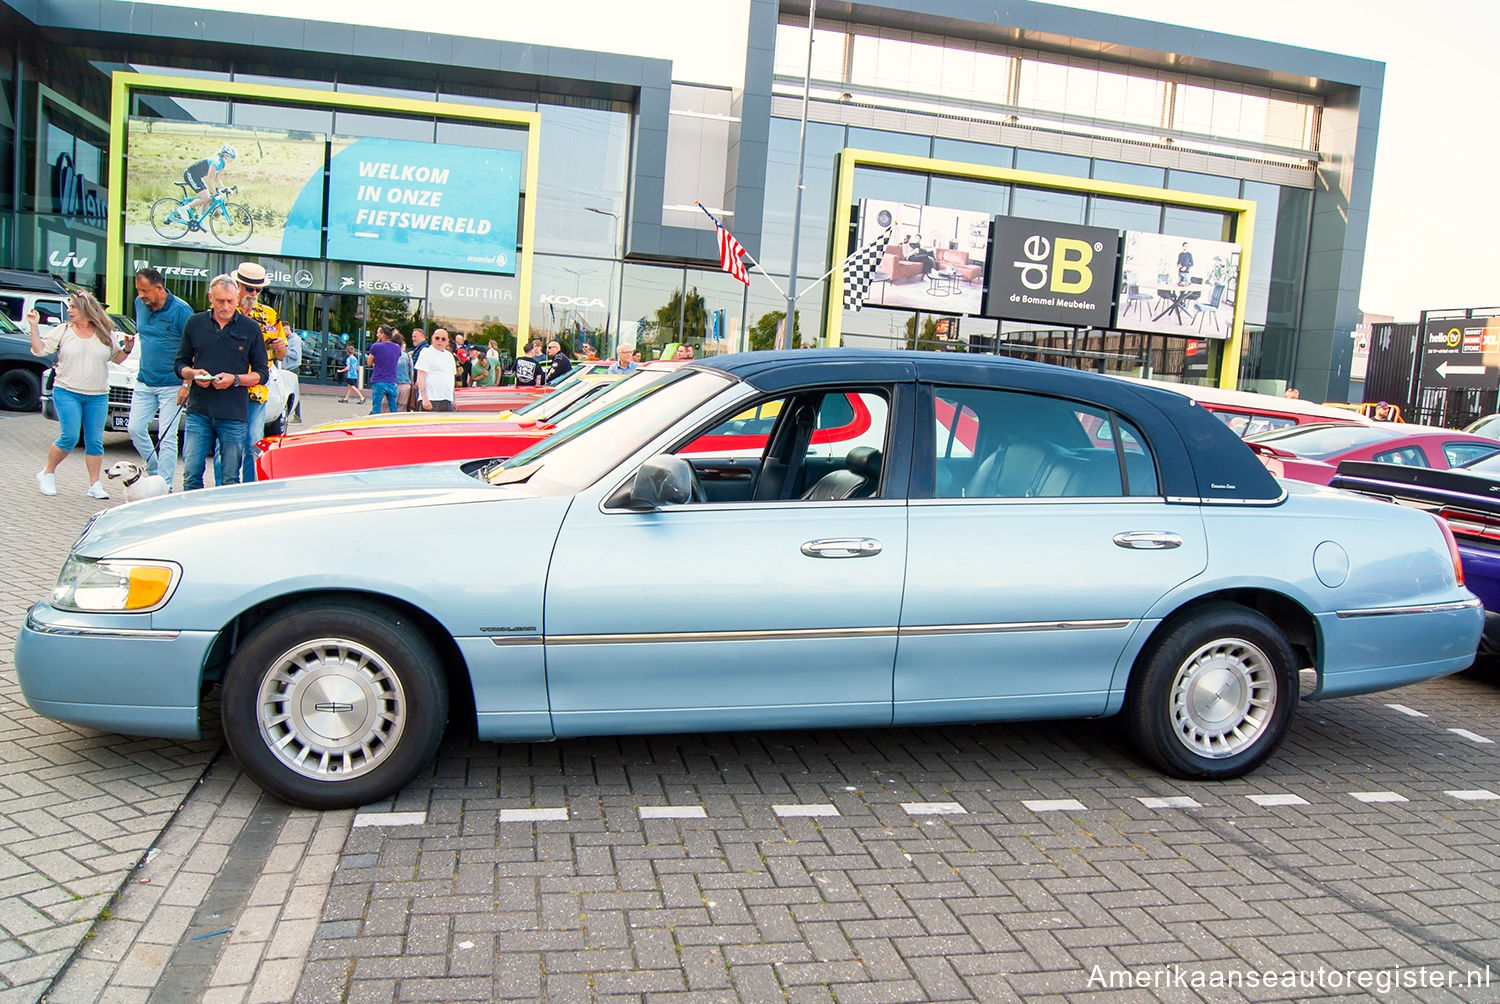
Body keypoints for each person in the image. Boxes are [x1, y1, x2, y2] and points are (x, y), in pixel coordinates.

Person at [29, 292, 131, 498]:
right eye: (69, 306)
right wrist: (33, 326)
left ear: (85, 309)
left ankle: (94, 485)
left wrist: (128, 348)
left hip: (98, 394)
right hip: (67, 391)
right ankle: (47, 473)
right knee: (70, 436)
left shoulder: (104, 332)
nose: (69, 310)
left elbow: (117, 359)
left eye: (73, 307)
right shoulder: (63, 330)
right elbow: (39, 350)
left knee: (95, 440)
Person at [175, 274, 268, 491]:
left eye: (229, 300)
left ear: (237, 297)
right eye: (219, 301)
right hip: (199, 410)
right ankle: (193, 519)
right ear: (210, 298)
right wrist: (193, 374)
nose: (225, 306)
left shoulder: (250, 328)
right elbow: (180, 364)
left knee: (229, 479)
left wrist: (235, 380)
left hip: (233, 412)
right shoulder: (195, 323)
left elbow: (262, 373)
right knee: (191, 474)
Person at [127, 267, 194, 491]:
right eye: (138, 290)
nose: (141, 295)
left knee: (167, 437)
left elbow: (193, 348)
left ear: (159, 288)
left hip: (172, 384)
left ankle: (165, 486)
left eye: (145, 290)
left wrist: (187, 383)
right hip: (145, 380)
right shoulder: (140, 304)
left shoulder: (181, 310)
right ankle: (154, 471)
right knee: (134, 428)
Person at [174, 143, 236, 223]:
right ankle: (183, 209)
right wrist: (215, 193)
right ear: (226, 156)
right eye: (233, 157)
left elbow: (217, 179)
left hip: (198, 177)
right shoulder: (216, 162)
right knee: (205, 197)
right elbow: (208, 180)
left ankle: (200, 221)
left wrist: (224, 190)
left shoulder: (223, 164)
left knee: (207, 199)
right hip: (190, 174)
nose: (234, 159)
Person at [416, 328, 457, 411]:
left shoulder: (449, 356)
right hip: (431, 399)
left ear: (447, 341)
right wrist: (424, 398)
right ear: (432, 338)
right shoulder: (426, 353)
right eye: (437, 338)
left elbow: (451, 378)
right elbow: (420, 377)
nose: (440, 341)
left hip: (446, 399)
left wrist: (453, 399)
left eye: (443, 339)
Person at [366, 324, 401, 414]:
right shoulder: (397, 347)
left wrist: (375, 362)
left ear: (383, 334)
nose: (377, 335)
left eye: (378, 333)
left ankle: (375, 426)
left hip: (379, 380)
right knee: (393, 409)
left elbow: (369, 362)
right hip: (392, 381)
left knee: (376, 409)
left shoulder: (376, 346)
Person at [407, 328, 428, 410]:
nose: (413, 339)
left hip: (419, 382)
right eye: (412, 336)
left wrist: (418, 380)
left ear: (422, 337)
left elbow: (422, 367)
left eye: (415, 336)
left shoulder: (424, 349)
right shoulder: (419, 348)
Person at [395, 331, 414, 410]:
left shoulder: (390, 354)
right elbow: (411, 371)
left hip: (393, 383)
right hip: (406, 384)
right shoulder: (407, 356)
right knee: (402, 408)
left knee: (387, 408)